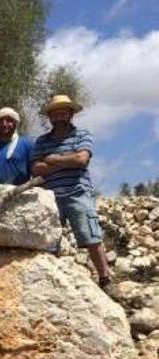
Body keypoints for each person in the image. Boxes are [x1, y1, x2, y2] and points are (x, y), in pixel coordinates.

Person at [30, 94, 116, 295]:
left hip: (78, 192)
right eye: (55, 112)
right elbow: (35, 169)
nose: (59, 114)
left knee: (91, 236)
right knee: (48, 241)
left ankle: (105, 279)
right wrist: (66, 161)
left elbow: (82, 159)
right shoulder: (42, 141)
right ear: (50, 116)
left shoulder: (82, 134)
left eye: (63, 110)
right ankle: (48, 285)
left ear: (70, 113)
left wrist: (52, 159)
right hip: (50, 197)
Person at [0, 107, 33, 185]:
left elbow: (35, 171)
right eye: (0, 121)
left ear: (15, 124)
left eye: (9, 120)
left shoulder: (27, 144)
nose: (4, 124)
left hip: (19, 193)